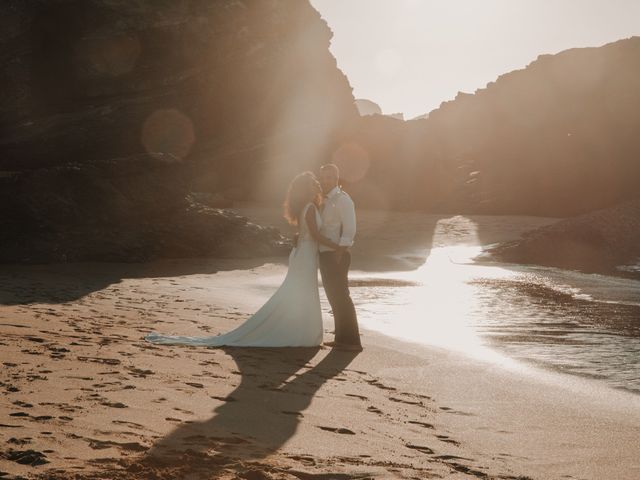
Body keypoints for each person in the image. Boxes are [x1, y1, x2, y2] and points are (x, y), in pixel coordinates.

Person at [143, 172, 340, 348]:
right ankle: (302, 333)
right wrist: (337, 245)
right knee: (303, 292)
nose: (318, 183)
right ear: (307, 187)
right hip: (305, 255)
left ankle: (301, 331)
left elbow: (303, 233)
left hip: (302, 254)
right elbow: (314, 235)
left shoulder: (306, 207)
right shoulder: (311, 208)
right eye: (314, 181)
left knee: (299, 292)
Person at [317, 164, 362, 351]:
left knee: (342, 296)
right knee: (333, 297)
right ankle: (341, 338)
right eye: (324, 177)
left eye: (330, 177)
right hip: (324, 253)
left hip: (337, 254)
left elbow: (350, 228)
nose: (326, 180)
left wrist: (340, 252)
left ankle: (352, 342)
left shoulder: (343, 199)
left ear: (336, 178)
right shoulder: (323, 199)